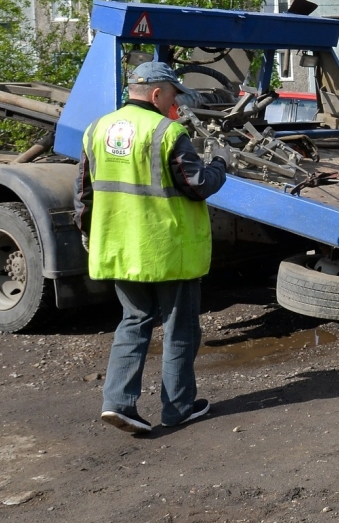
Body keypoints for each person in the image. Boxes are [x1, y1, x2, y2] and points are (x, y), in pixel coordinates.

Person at [74, 61, 229, 433]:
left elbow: (83, 192)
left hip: (121, 248)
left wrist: (88, 234)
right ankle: (178, 407)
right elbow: (198, 184)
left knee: (133, 322)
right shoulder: (167, 132)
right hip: (167, 250)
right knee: (180, 328)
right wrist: (222, 164)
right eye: (173, 95)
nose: (175, 103)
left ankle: (118, 403)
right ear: (157, 94)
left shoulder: (96, 130)